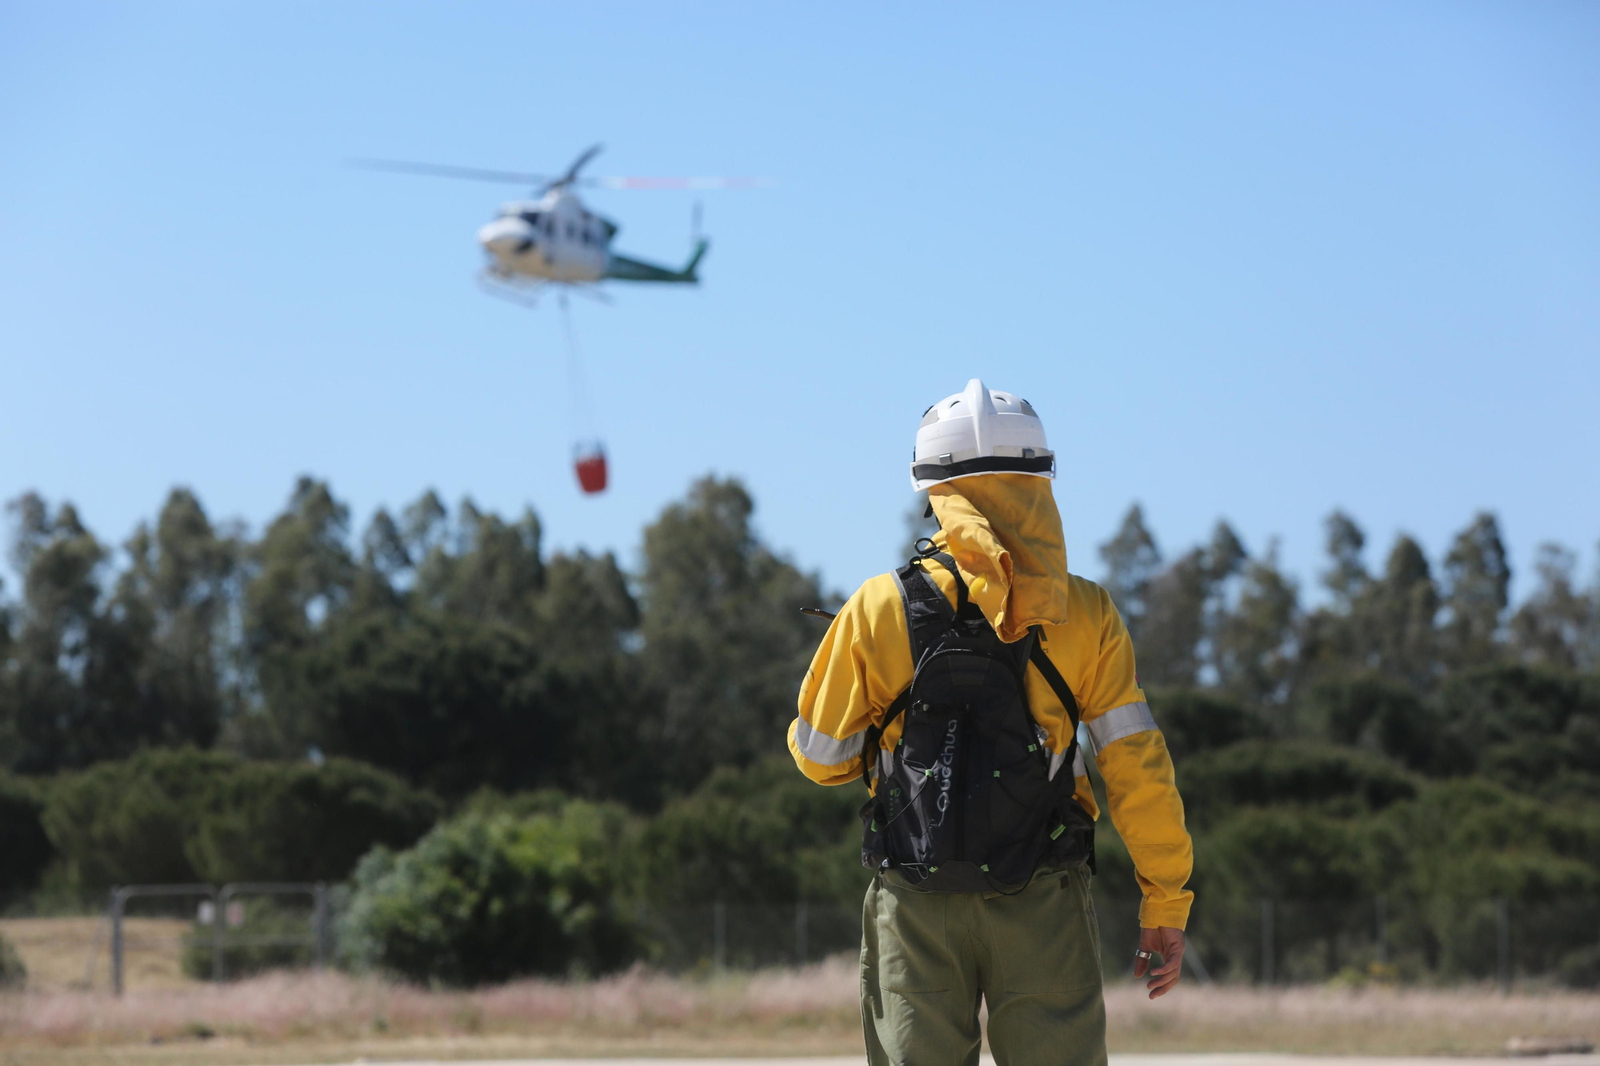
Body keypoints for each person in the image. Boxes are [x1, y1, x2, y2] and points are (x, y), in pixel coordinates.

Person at [787, 379, 1194, 1066]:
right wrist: (1165, 903)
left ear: (931, 488)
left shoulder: (877, 607)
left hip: (915, 896)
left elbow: (821, 760)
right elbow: (1136, 770)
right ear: (1041, 480)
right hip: (1043, 893)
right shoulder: (1086, 613)